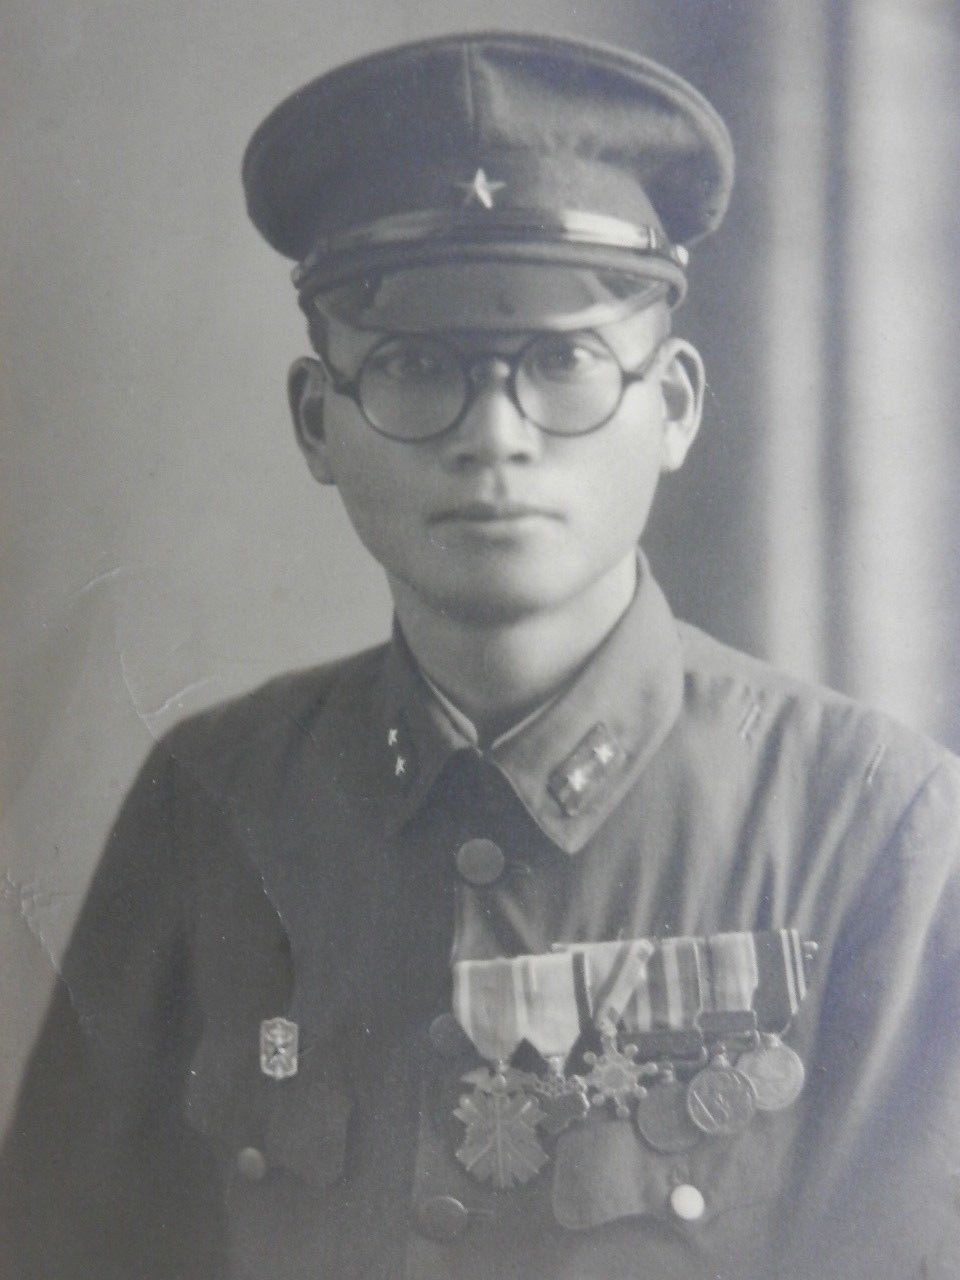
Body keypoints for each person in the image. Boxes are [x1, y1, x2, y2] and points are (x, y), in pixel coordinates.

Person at [2, 30, 959, 1280]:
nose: (495, 434)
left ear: (673, 406)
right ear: (317, 423)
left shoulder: (871, 821)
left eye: (562, 361)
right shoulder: (212, 804)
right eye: (415, 366)